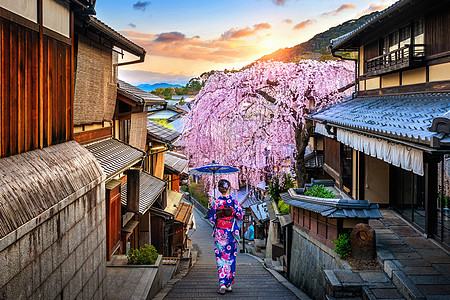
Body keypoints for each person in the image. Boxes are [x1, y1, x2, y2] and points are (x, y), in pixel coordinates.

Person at [208, 179, 244, 295]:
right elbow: (240, 216)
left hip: (220, 234)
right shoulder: (234, 202)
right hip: (230, 234)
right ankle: (229, 285)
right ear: (229, 188)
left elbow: (212, 219)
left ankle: (222, 284)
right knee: (231, 258)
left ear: (219, 189)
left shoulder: (216, 203)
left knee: (220, 257)